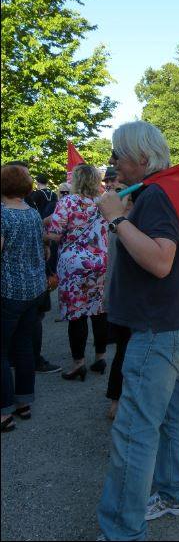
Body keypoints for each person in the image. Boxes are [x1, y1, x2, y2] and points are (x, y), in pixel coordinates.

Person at [96, 121, 179, 541]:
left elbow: (160, 260)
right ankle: (176, 492)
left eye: (118, 154)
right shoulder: (160, 190)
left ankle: (122, 532)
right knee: (170, 415)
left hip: (159, 331)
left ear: (141, 157)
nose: (113, 162)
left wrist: (118, 222)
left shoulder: (155, 194)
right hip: (170, 325)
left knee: (135, 431)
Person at [46, 164, 109, 380]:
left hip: (73, 264)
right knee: (99, 311)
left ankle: (78, 363)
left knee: (76, 313)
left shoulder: (67, 202)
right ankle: (100, 357)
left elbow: (54, 235)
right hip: (100, 261)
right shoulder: (103, 203)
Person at [1, 165, 48, 432]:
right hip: (33, 289)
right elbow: (41, 247)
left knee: (2, 351)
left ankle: (4, 411)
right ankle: (23, 403)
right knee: (23, 346)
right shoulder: (31, 213)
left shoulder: (2, 215)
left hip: (9, 291)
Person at [104, 183, 132, 421]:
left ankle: (116, 400)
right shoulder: (122, 224)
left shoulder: (119, 223)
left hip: (120, 297)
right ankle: (116, 400)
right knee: (124, 351)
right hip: (123, 298)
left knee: (123, 350)